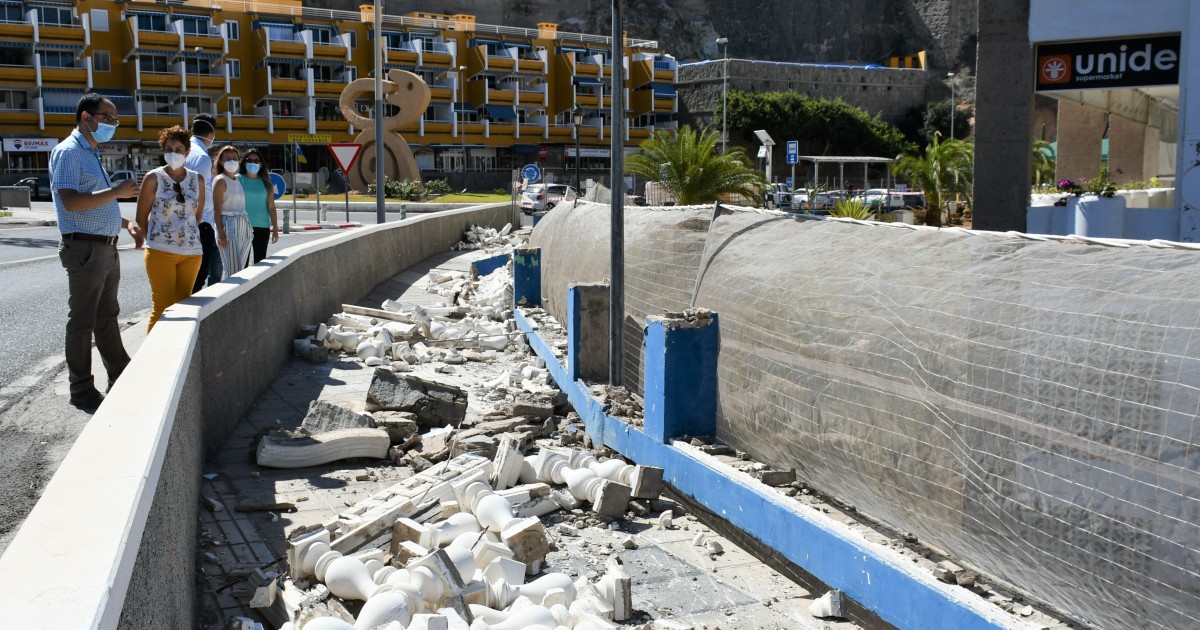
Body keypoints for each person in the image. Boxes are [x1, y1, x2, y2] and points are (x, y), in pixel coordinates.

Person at [50, 93, 142, 411]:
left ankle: (121, 374)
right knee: (83, 322)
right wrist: (117, 192)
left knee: (106, 318)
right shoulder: (69, 152)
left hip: (104, 247)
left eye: (115, 119)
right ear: (87, 117)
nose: (112, 125)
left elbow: (95, 202)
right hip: (85, 248)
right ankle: (82, 389)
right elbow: (72, 201)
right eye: (108, 118)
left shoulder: (91, 153)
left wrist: (125, 221)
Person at [137, 126, 204, 332]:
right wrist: (157, 240)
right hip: (160, 252)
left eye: (178, 149)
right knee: (162, 308)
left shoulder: (197, 179)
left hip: (192, 253)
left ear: (187, 152)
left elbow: (197, 216)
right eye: (169, 148)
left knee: (183, 307)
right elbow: (141, 217)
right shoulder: (153, 178)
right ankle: (151, 360)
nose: (173, 153)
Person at [186, 113, 222, 292]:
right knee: (199, 276)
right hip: (201, 223)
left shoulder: (184, 150)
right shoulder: (201, 157)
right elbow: (200, 194)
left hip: (187, 221)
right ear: (211, 134)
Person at [211, 145, 252, 277]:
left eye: (234, 158)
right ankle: (230, 297)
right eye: (227, 158)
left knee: (243, 267)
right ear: (221, 161)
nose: (231, 161)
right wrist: (220, 233)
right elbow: (216, 209)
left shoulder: (238, 179)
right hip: (228, 223)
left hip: (243, 223)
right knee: (233, 269)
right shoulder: (220, 180)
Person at [238, 148, 279, 263]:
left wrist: (275, 228)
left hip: (262, 227)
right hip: (242, 227)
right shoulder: (237, 179)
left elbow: (271, 207)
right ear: (244, 162)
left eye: (256, 161)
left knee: (260, 263)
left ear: (261, 164)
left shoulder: (266, 181)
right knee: (243, 264)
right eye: (249, 160)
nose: (253, 163)